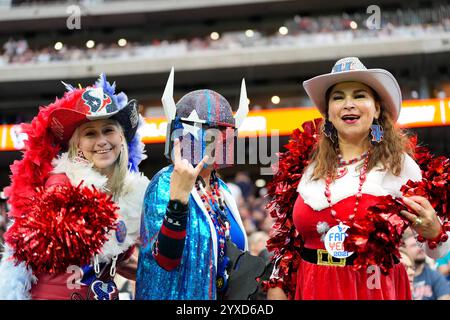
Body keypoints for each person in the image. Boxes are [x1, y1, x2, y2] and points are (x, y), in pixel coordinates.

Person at [266, 57, 449, 300]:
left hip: (373, 289)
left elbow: (436, 248)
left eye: (360, 95)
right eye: (338, 97)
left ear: (377, 109)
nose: (348, 104)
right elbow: (286, 246)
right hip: (314, 286)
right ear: (328, 112)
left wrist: (434, 229)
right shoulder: (304, 166)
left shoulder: (400, 166)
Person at [0, 74, 149, 300]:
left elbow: (120, 259)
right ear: (77, 145)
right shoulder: (61, 185)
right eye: (90, 133)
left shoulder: (125, 192)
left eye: (108, 130)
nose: (102, 141)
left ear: (121, 138)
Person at [136, 68, 265, 300]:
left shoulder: (221, 189)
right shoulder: (164, 183)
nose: (216, 141)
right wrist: (179, 199)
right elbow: (165, 258)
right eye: (206, 132)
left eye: (222, 133)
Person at [404, 233, 450, 300]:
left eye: (420, 245)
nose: (420, 249)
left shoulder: (436, 276)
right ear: (404, 250)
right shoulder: (400, 278)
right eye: (414, 245)